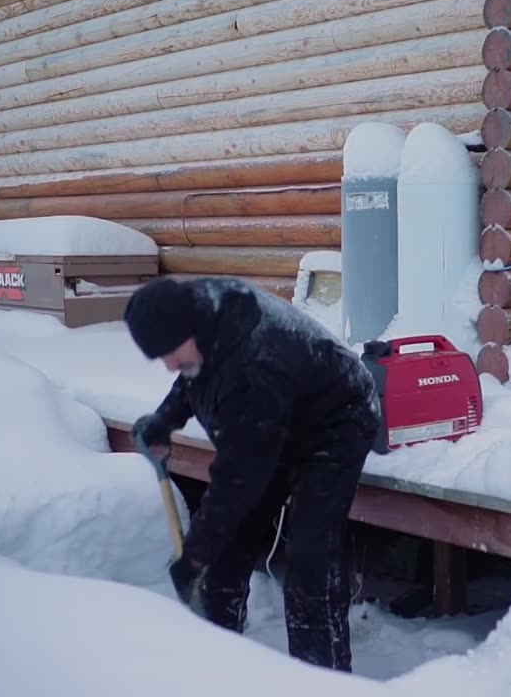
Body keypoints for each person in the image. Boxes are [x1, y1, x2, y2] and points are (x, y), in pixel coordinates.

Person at [122, 275, 381, 672]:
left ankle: (323, 676)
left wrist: (193, 557)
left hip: (336, 418)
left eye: (171, 351)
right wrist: (164, 420)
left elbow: (237, 481)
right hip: (277, 412)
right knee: (229, 544)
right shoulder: (201, 310)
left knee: (309, 556)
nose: (168, 363)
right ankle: (219, 658)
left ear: (190, 329)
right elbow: (195, 376)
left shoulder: (257, 365)